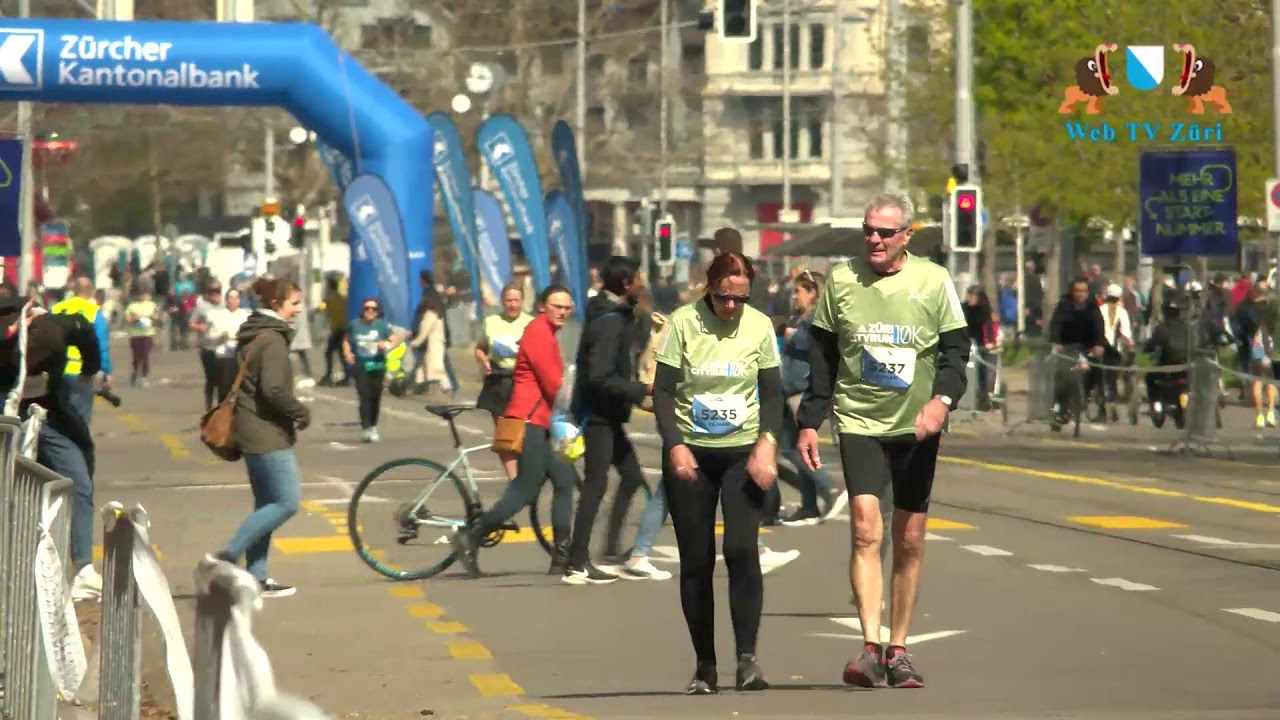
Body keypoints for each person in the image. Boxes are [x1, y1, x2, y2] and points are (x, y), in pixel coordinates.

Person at [796, 193, 970, 689]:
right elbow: (823, 358)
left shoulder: (933, 281)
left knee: (909, 538)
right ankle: (870, 647)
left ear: (906, 236)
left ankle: (899, 649)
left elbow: (958, 352)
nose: (874, 239)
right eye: (868, 230)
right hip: (858, 421)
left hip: (916, 424)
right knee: (865, 528)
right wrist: (811, 419)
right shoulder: (843, 280)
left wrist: (942, 403)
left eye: (885, 232)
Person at [652, 250, 782, 695]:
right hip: (693, 455)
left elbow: (772, 393)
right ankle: (705, 666)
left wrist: (767, 442)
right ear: (710, 287)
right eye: (724, 298)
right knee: (697, 560)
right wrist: (675, 445)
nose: (731, 308)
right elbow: (664, 391)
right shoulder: (683, 323)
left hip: (741, 452)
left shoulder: (760, 326)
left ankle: (747, 659)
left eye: (740, 299)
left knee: (743, 550)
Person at [451, 285, 580, 577]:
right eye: (557, 306)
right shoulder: (538, 334)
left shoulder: (546, 333)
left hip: (545, 423)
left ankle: (561, 557)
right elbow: (554, 385)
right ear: (543, 307)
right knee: (526, 487)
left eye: (567, 308)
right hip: (530, 421)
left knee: (564, 480)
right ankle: (472, 535)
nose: (562, 312)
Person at [0, 295, 104, 600]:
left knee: (79, 479)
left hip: (47, 417)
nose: (33, 362)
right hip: (8, 415)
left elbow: (84, 330)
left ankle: (82, 568)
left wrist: (89, 369)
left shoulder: (55, 327)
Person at [216, 277, 311, 598]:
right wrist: (299, 411)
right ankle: (227, 556)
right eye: (294, 303)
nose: (298, 310)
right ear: (276, 305)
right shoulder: (272, 340)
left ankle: (256, 576)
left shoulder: (254, 334)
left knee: (266, 505)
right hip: (265, 432)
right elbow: (272, 390)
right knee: (286, 502)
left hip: (251, 428)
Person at [564, 256, 652, 585]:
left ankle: (611, 549)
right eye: (639, 279)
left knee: (630, 476)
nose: (643, 284)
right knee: (595, 485)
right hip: (598, 415)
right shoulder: (609, 322)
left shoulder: (613, 315)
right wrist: (640, 389)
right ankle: (577, 561)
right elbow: (599, 377)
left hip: (608, 415)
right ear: (627, 284)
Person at [775, 269, 844, 525]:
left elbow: (816, 344)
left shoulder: (818, 316)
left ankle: (829, 488)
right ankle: (808, 505)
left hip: (802, 389)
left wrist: (793, 335)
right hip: (790, 388)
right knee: (794, 447)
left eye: (799, 292)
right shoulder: (800, 315)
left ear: (813, 292)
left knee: (793, 448)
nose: (795, 297)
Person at [474, 284, 534, 481]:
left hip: (523, 381)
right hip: (499, 381)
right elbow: (480, 348)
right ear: (502, 302)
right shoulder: (491, 322)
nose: (513, 304)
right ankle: (514, 479)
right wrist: (483, 361)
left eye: (516, 300)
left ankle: (528, 472)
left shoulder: (532, 323)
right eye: (509, 300)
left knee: (526, 434)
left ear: (522, 301)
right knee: (505, 436)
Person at [342, 298, 403, 443]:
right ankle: (366, 428)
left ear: (377, 311)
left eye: (373, 309)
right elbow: (346, 339)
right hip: (361, 365)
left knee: (375, 397)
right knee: (364, 396)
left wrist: (387, 344)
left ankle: (373, 426)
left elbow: (394, 339)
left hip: (377, 365)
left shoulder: (382, 326)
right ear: (362, 310)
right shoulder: (354, 325)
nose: (370, 311)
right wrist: (347, 352)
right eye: (367, 308)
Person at [1047, 278, 1106, 423]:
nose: (1080, 294)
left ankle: (1098, 404)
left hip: (1087, 345)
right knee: (1062, 374)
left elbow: (1099, 324)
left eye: (1083, 291)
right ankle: (1060, 406)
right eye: (1077, 291)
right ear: (1072, 292)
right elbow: (1056, 324)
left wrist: (1099, 344)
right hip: (1067, 346)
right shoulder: (1064, 305)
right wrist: (1056, 342)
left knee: (1098, 369)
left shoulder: (1092, 305)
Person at [206, 288, 252, 403]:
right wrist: (222, 335)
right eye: (231, 298)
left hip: (240, 356)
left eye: (236, 297)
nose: (234, 300)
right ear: (226, 300)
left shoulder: (245, 315)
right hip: (224, 356)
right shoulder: (218, 315)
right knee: (225, 388)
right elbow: (211, 336)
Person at [187, 282, 226, 412]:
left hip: (223, 348)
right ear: (208, 294)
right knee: (211, 378)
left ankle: (221, 406)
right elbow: (191, 323)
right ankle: (209, 407)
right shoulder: (202, 307)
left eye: (218, 294)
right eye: (213, 294)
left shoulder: (224, 306)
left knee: (223, 379)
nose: (216, 297)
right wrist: (201, 327)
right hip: (207, 347)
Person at [124, 284, 160, 387]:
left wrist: (150, 317)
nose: (144, 296)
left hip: (147, 334)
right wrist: (135, 318)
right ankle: (135, 373)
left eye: (146, 294)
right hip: (135, 335)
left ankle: (144, 377)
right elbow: (128, 319)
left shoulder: (152, 305)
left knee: (145, 356)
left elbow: (157, 316)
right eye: (141, 294)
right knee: (136, 357)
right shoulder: (132, 306)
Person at [320, 274, 349, 386]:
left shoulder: (331, 299)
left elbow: (326, 311)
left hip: (338, 330)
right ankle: (346, 376)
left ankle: (329, 376)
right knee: (341, 354)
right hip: (341, 329)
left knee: (329, 353)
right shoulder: (341, 299)